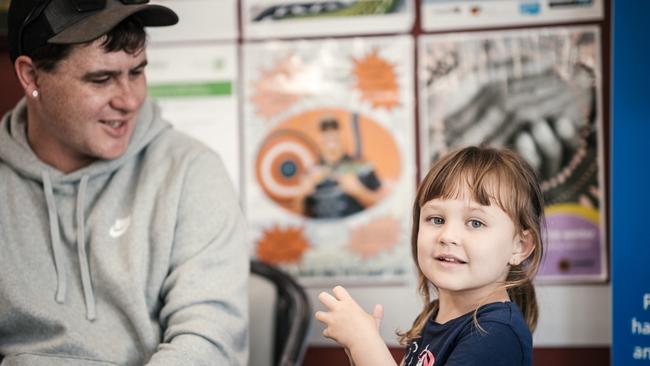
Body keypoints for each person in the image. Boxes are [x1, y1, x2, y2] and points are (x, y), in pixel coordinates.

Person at [0, 1, 248, 365]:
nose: (130, 100)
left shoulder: (190, 171)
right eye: (101, 79)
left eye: (137, 72)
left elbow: (210, 340)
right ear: (32, 77)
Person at [315, 146, 545, 366]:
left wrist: (364, 342)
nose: (447, 236)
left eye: (475, 222)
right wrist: (361, 355)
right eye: (436, 219)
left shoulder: (497, 332)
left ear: (520, 246)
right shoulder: (432, 317)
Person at [297, 117, 386, 218]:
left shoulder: (362, 166)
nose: (330, 135)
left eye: (335, 129)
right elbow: (298, 215)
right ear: (318, 138)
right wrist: (301, 196)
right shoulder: (310, 172)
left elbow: (384, 204)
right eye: (324, 131)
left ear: (343, 135)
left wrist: (359, 192)